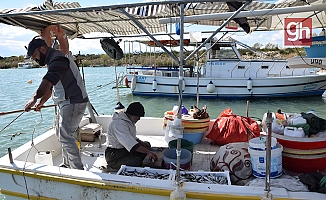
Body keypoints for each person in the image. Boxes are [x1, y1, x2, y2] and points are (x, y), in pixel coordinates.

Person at [24, 37, 89, 170]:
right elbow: (52, 86)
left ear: (42, 49)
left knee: (65, 136)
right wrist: (42, 102)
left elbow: (48, 80)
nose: (34, 59)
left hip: (73, 101)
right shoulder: (54, 60)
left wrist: (34, 98)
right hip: (67, 102)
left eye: (34, 55)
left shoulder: (58, 59)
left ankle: (78, 170)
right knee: (61, 135)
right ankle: (67, 164)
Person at [105, 102, 158, 170]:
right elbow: (130, 144)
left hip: (124, 149)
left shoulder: (129, 121)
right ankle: (112, 166)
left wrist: (141, 142)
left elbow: (131, 137)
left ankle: (131, 157)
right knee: (136, 162)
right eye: (138, 116)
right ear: (131, 114)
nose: (139, 119)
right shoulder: (118, 124)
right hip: (114, 155)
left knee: (147, 145)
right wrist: (148, 152)